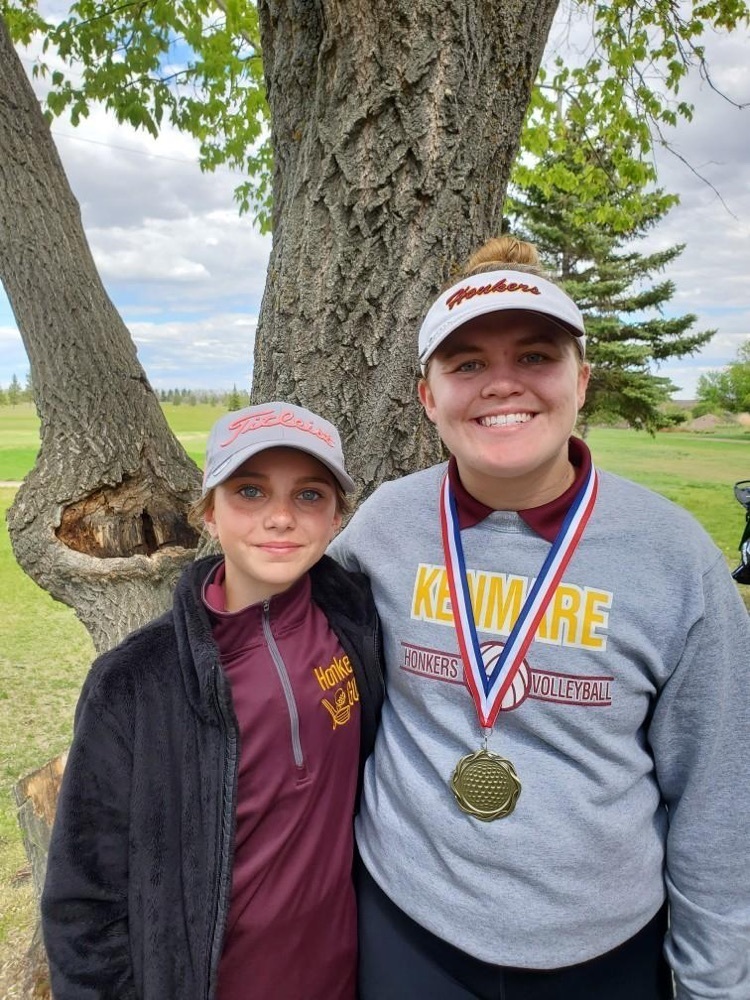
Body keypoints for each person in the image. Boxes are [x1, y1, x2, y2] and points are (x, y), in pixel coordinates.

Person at [330, 236, 750, 1000]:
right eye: (466, 364)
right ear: (428, 397)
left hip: (603, 950)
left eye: (534, 356)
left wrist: (713, 985)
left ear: (580, 380)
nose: (502, 384)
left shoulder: (672, 556)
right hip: (406, 925)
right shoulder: (384, 526)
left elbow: (719, 794)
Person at [42, 401, 384, 1000]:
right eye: (250, 491)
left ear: (337, 516)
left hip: (341, 977)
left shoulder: (355, 620)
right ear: (208, 511)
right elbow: (83, 901)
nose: (280, 517)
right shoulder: (135, 684)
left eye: (309, 495)